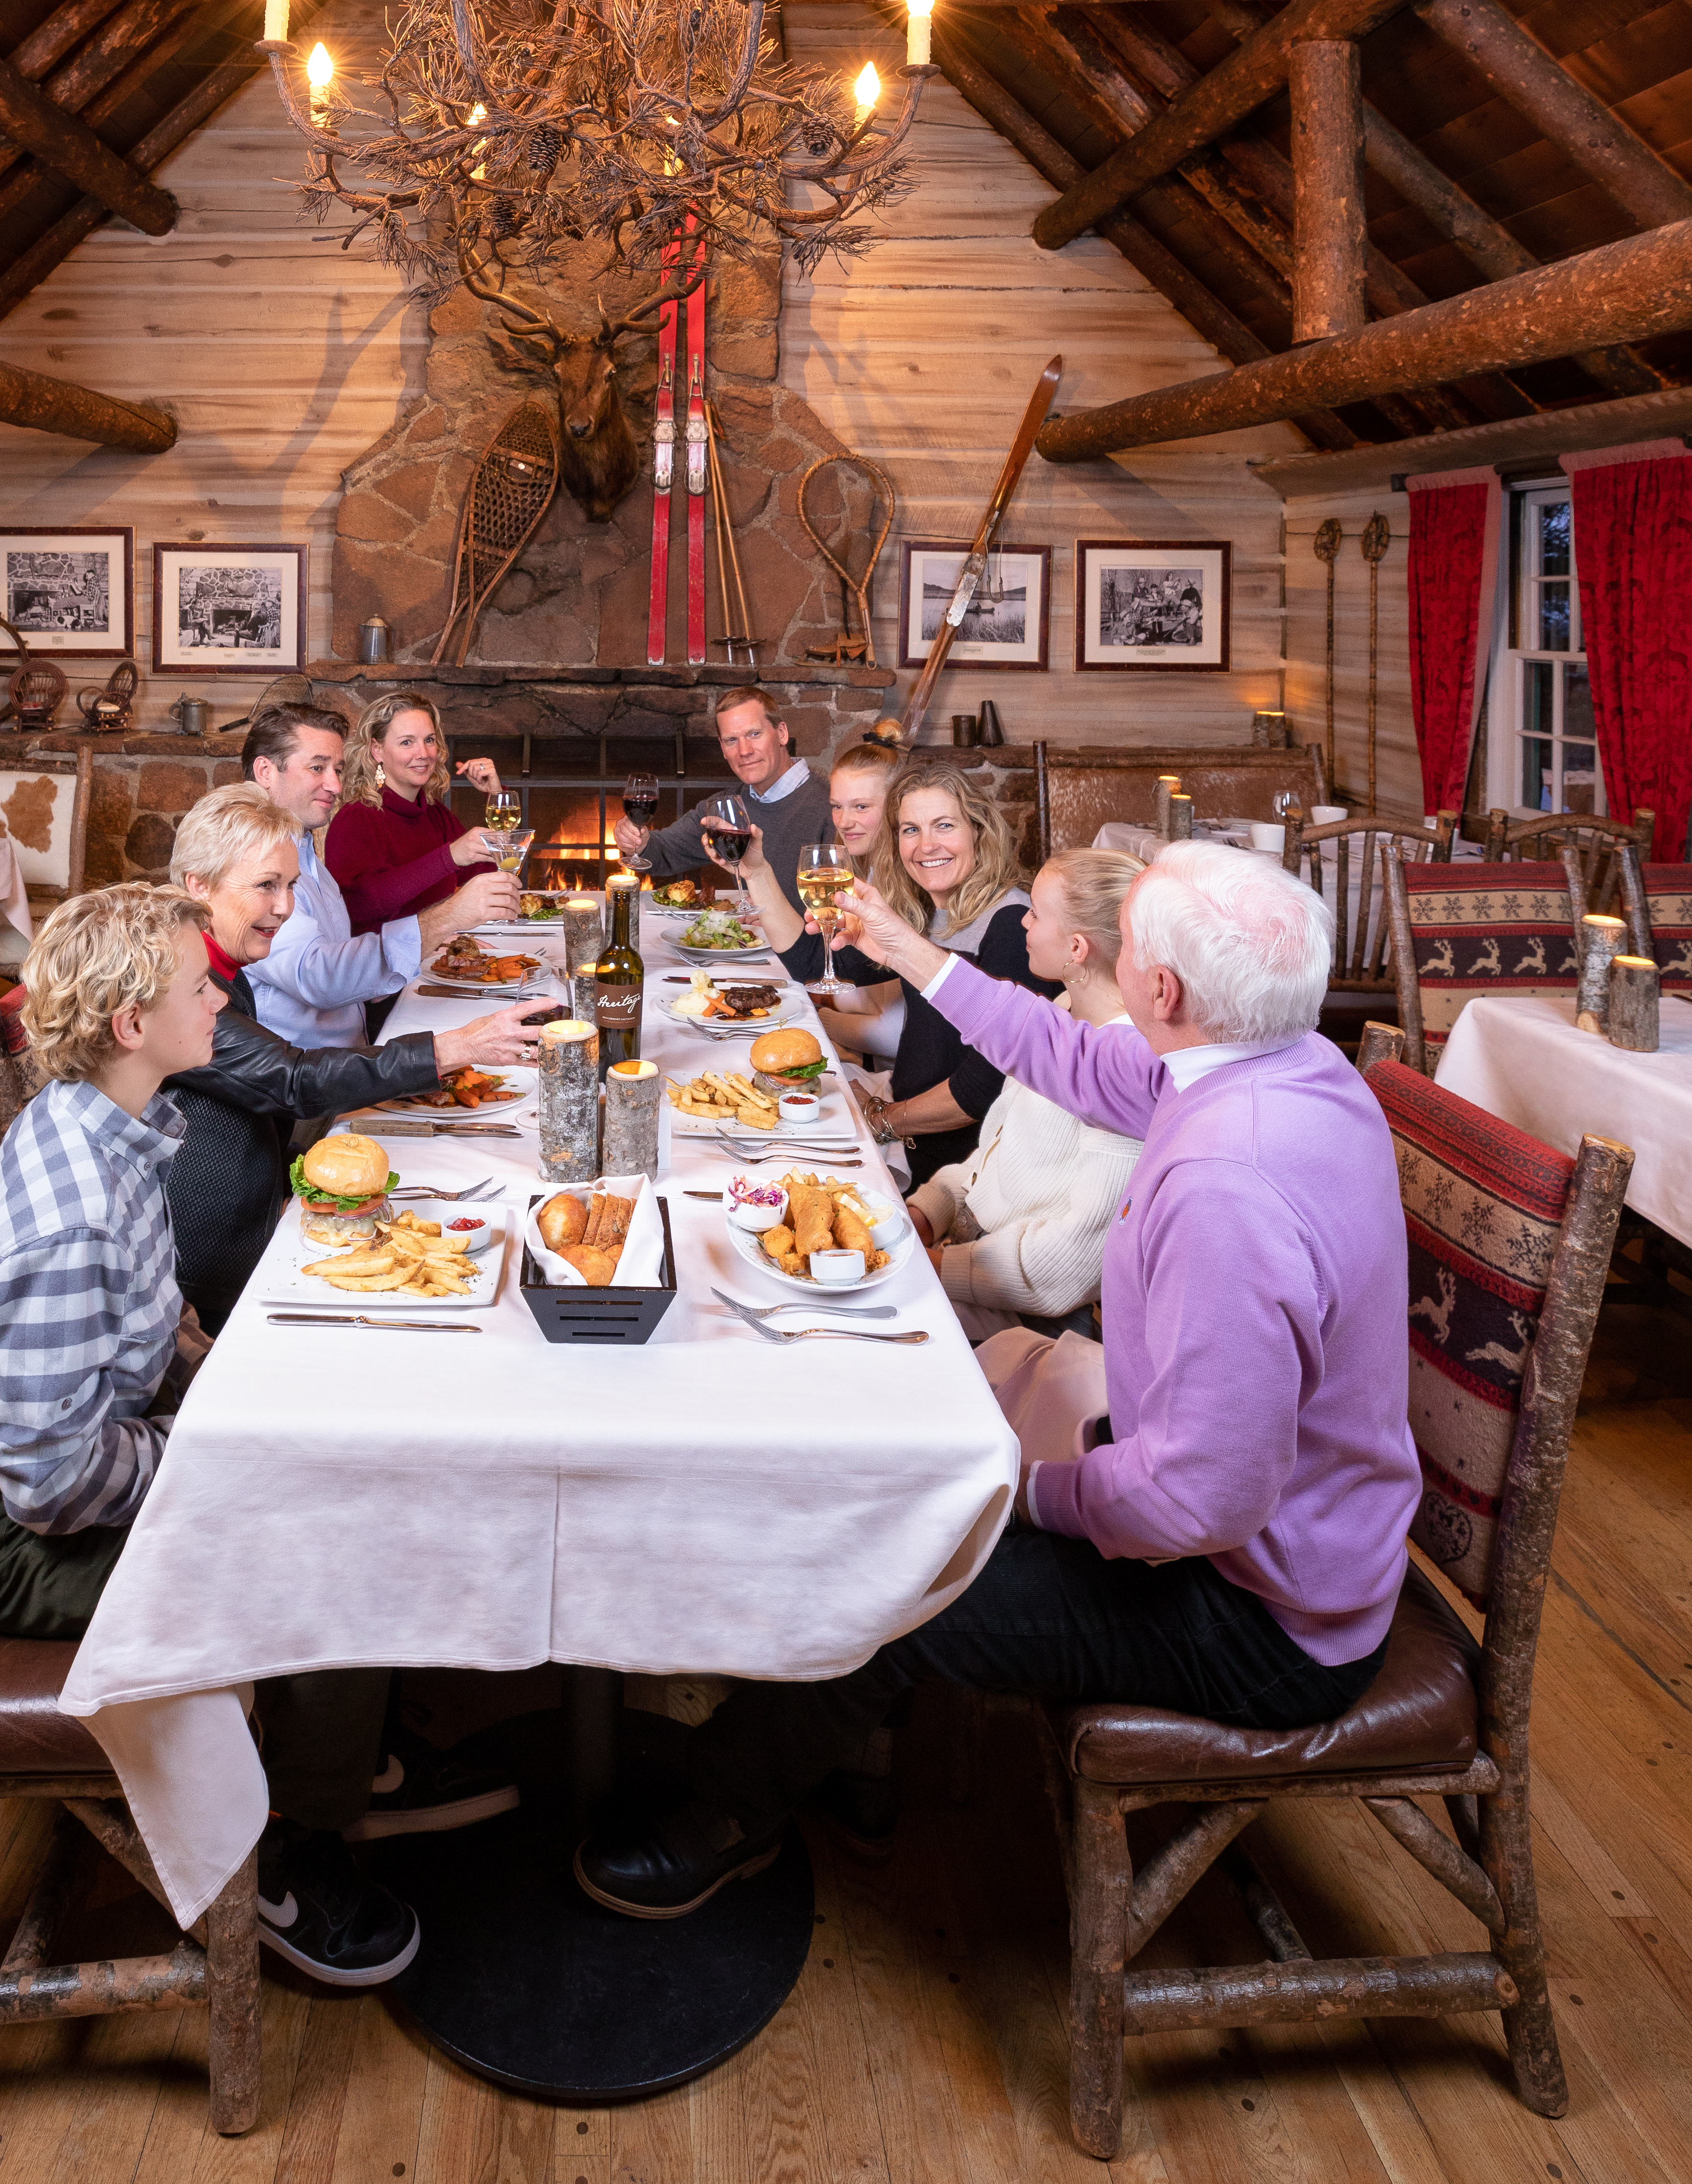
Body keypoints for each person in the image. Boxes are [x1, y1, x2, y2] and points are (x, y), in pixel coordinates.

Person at [573, 841, 1421, 1919]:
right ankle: (822, 1744)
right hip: (1294, 1517)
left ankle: (722, 1813)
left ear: (1156, 990)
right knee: (895, 1483)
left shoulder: (1225, 1184)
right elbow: (1058, 1053)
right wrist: (910, 955)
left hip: (1261, 1615)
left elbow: (1199, 1502)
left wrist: (1017, 1492)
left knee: (897, 1575)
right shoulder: (1280, 1066)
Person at [0, 882, 516, 1990]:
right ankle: (289, 1846)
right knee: (327, 1546)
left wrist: (216, 1376)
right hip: (7, 1543)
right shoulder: (70, 1220)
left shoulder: (121, 1119)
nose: (219, 998)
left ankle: (339, 1757)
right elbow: (45, 1486)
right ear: (128, 1026)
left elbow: (160, 1330)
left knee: (357, 1446)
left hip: (102, 1450)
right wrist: (225, 1443)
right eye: (198, 987)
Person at [163, 781, 542, 1327]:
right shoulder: (176, 981)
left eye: (291, 886)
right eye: (267, 886)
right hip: (212, 1268)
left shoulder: (209, 959)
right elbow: (290, 1081)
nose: (285, 908)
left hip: (266, 1209)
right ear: (199, 886)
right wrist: (457, 1046)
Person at [752, 754, 1058, 1194]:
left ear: (979, 830)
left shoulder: (1010, 924)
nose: (925, 845)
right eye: (910, 830)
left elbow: (982, 1089)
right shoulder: (924, 914)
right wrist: (756, 870)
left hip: (948, 1167)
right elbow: (809, 963)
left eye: (944, 826)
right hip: (905, 1122)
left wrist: (882, 1120)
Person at [907, 846, 1143, 1338]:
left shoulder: (1128, 1071)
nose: (1023, 924)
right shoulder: (1061, 1009)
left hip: (1029, 1321)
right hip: (967, 1259)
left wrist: (931, 1266)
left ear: (1077, 948)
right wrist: (927, 1210)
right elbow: (994, 1163)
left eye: (1035, 913)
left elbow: (1067, 1266)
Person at [241, 698, 521, 1051]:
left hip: (362, 1030)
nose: (335, 786)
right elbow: (327, 968)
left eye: (338, 771)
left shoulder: (304, 850)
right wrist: (443, 917)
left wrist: (497, 798)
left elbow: (491, 870)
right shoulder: (255, 860)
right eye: (317, 768)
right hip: (312, 1069)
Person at [725, 736, 904, 1062]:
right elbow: (818, 965)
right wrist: (757, 872)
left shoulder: (909, 886)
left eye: (861, 807)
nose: (844, 821)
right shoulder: (866, 871)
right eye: (837, 806)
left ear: (897, 806)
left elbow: (894, 1031)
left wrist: (820, 1021)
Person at [613, 686, 833, 900]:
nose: (744, 751)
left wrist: (774, 916)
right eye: (732, 740)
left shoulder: (835, 805)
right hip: (755, 935)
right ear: (722, 748)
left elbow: (843, 908)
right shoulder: (726, 806)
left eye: (755, 734)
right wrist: (637, 843)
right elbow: (663, 852)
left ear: (782, 733)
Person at [322, 688, 509, 934]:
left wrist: (496, 796)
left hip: (435, 951)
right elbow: (357, 907)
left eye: (429, 740)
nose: (423, 754)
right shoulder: (357, 817)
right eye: (407, 742)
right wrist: (449, 857)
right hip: (381, 965)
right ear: (377, 750)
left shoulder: (433, 812)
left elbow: (493, 873)